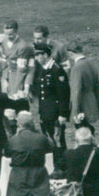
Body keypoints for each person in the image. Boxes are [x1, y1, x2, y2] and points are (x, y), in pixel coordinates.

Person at [31, 42, 70, 170]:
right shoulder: (44, 70)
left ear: (46, 55)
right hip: (46, 113)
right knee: (50, 141)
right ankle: (56, 167)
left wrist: (63, 114)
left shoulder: (57, 70)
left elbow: (64, 95)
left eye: (39, 55)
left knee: (58, 141)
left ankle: (62, 168)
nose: (36, 58)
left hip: (55, 115)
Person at [0, 21, 35, 99]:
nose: (8, 36)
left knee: (15, 98)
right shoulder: (4, 41)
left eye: (10, 34)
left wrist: (15, 89)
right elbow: (4, 61)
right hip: (7, 74)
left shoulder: (22, 46)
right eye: (6, 34)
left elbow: (21, 70)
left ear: (16, 31)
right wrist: (4, 79)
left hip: (17, 75)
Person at [66, 41, 99, 126]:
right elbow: (98, 88)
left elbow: (76, 91)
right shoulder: (91, 64)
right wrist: (96, 104)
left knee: (82, 132)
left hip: (82, 106)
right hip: (92, 103)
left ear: (71, 53)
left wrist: (75, 111)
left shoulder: (77, 67)